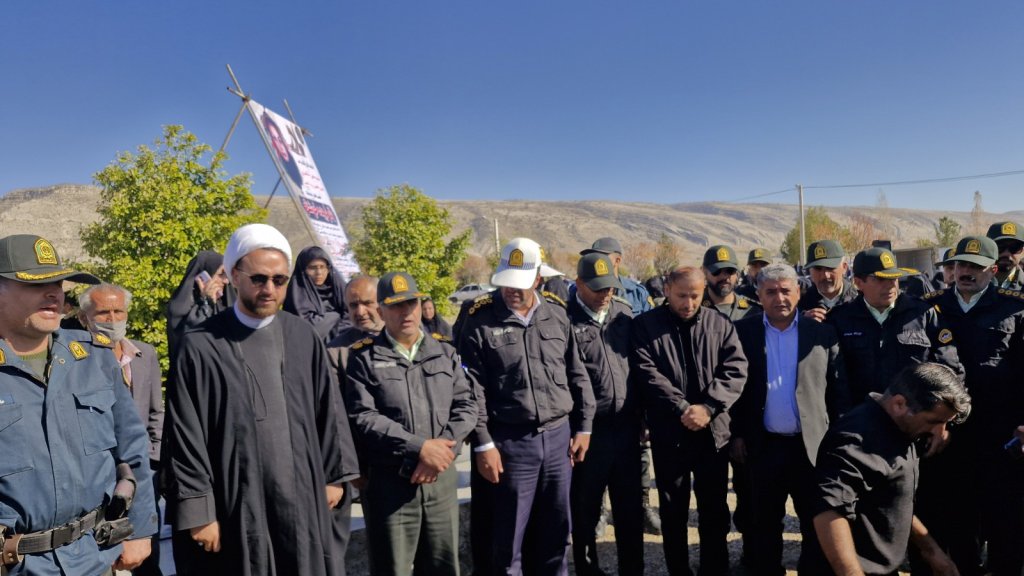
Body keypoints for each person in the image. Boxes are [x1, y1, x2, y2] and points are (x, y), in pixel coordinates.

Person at [164, 223, 360, 576]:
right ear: (234, 276)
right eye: (258, 279)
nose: (269, 289)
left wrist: (335, 477)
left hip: (302, 498)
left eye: (279, 280)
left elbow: (329, 411)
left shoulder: (302, 336)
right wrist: (198, 510)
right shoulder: (201, 345)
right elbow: (184, 435)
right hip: (234, 505)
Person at [0, 234, 156, 575]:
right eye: (36, 283)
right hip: (17, 565)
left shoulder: (94, 357)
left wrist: (140, 529)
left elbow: (132, 447)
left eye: (58, 283)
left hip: (94, 556)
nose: (54, 293)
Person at [457, 237, 595, 576]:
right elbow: (470, 390)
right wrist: (483, 444)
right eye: (507, 282)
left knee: (556, 535)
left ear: (538, 279)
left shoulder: (556, 314)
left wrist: (584, 427)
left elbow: (576, 374)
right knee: (508, 543)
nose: (512, 291)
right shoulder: (479, 319)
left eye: (520, 283)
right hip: (509, 444)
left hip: (559, 440)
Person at [344, 272, 476, 576]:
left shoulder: (444, 351)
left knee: (443, 566)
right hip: (391, 484)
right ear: (381, 311)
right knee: (393, 567)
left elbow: (467, 405)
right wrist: (420, 448)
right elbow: (363, 416)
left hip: (440, 479)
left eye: (411, 304)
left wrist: (441, 452)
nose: (406, 312)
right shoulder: (364, 358)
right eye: (395, 306)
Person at [731, 264, 849, 575]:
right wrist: (737, 434)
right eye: (771, 292)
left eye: (786, 290)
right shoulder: (743, 332)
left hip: (811, 447)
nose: (779, 298)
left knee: (815, 520)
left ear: (798, 292)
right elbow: (735, 388)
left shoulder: (821, 332)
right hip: (763, 446)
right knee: (763, 523)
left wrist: (839, 439)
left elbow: (838, 390)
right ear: (759, 295)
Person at [630, 266, 748, 576]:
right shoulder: (646, 326)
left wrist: (708, 407)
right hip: (671, 433)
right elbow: (647, 373)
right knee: (673, 510)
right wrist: (683, 407)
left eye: (695, 296)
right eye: (682, 296)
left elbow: (736, 369)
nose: (689, 303)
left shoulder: (719, 324)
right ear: (667, 289)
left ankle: (715, 569)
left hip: (712, 433)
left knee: (714, 509)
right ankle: (679, 569)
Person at [921, 235, 1024, 575]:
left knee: (1004, 521)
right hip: (949, 431)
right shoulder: (931, 307)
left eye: (974, 267)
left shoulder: (1015, 307)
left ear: (993, 270)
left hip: (1000, 434)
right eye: (960, 264)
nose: (965, 272)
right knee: (957, 518)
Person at [812, 363, 971, 576]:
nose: (938, 431)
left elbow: (894, 500)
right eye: (933, 421)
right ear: (899, 404)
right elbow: (829, 511)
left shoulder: (901, 430)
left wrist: (932, 551)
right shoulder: (857, 439)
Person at [78, 283, 165, 576]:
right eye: (103, 312)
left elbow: (155, 412)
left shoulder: (145, 353)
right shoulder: (76, 359)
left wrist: (151, 459)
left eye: (119, 311)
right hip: (101, 477)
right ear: (84, 318)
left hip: (143, 472)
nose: (112, 319)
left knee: (146, 553)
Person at [567, 253, 644, 576]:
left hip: (626, 429)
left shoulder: (623, 314)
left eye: (610, 287)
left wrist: (642, 417)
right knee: (585, 509)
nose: (605, 294)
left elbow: (638, 368)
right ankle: (588, 570)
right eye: (598, 288)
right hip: (589, 433)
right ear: (579, 284)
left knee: (630, 510)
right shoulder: (565, 320)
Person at [579, 236, 661, 535]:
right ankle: (599, 512)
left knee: (639, 460)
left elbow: (643, 352)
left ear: (618, 260)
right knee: (595, 469)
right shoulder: (574, 302)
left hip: (628, 402)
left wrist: (645, 410)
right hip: (595, 409)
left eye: (605, 257)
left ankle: (643, 506)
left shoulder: (634, 295)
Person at [827, 247, 963, 404]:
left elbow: (949, 368)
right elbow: (833, 379)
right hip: (861, 413)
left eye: (894, 278)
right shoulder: (840, 319)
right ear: (858, 283)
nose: (890, 286)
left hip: (914, 413)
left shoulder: (922, 314)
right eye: (880, 279)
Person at [165, 250, 233, 366]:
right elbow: (193, 340)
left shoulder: (226, 303)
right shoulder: (180, 309)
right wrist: (206, 303)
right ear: (202, 277)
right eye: (221, 273)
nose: (226, 280)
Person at [283, 245, 348, 342]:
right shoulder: (297, 296)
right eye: (313, 268)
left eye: (322, 267)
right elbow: (309, 329)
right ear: (303, 270)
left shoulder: (338, 288)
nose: (319, 273)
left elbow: (351, 315)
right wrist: (335, 316)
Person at [580, 237, 654, 316]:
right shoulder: (582, 290)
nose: (596, 260)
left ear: (617, 261)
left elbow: (651, 321)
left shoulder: (637, 293)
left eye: (602, 256)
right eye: (593, 256)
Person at [798, 240, 858, 322]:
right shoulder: (799, 303)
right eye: (818, 269)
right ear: (810, 271)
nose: (825, 275)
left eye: (830, 268)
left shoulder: (860, 301)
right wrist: (802, 322)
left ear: (844, 268)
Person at [701, 245, 762, 321]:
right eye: (717, 271)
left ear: (737, 274)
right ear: (704, 272)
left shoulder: (753, 312)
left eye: (730, 270)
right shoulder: (693, 309)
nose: (724, 276)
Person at [261, 111, 304, 191]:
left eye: (280, 139)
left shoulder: (300, 168)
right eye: (274, 139)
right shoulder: (282, 167)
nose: (280, 146)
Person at [986, 220, 1024, 290]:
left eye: (1014, 248)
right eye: (999, 247)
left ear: (1022, 251)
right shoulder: (969, 281)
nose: (1006, 253)